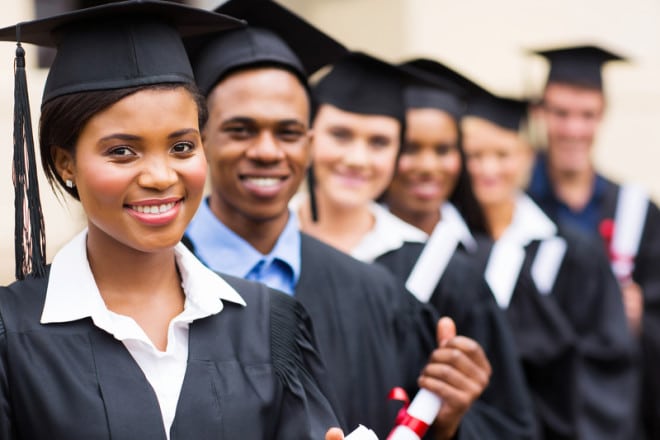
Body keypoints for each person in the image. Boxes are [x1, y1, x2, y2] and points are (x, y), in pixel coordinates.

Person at [0, 2, 343, 439]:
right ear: (65, 162)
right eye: (122, 151)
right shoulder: (12, 335)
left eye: (182, 147)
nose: (161, 177)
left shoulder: (268, 325)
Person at [184, 1, 501, 438]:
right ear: (199, 138)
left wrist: (447, 423)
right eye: (240, 129)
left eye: (288, 132)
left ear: (309, 143)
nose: (267, 151)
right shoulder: (150, 279)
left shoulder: (378, 295)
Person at [294, 50, 537, 438]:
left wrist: (450, 422)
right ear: (306, 136)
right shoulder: (265, 252)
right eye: (340, 135)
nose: (357, 158)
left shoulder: (449, 274)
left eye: (379, 142)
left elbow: (510, 424)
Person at [460, 82, 640, 439]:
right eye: (475, 156)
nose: (487, 168)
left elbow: (607, 367)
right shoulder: (449, 243)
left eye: (502, 154)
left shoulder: (572, 251)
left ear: (528, 157)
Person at [526, 44, 660, 438]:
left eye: (587, 115)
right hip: (538, 410)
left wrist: (640, 322)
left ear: (603, 116)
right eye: (560, 113)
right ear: (540, 113)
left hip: (619, 415)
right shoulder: (516, 208)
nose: (573, 129)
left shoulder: (638, 212)